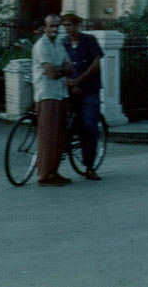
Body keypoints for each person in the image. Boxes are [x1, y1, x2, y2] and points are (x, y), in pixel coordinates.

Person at [61, 12, 104, 181]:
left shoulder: (89, 41)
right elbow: (60, 65)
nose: (67, 29)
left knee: (89, 126)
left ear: (77, 25)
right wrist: (69, 82)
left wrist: (79, 81)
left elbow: (95, 65)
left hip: (89, 89)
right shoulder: (62, 43)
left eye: (69, 25)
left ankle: (89, 167)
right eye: (64, 25)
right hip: (69, 89)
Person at [32, 14, 74, 186]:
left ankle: (54, 172)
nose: (55, 29)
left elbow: (69, 68)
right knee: (48, 136)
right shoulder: (41, 46)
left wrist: (60, 70)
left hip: (60, 93)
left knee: (59, 136)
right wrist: (61, 70)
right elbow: (51, 72)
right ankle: (44, 175)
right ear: (44, 27)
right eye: (51, 26)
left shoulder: (59, 44)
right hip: (47, 94)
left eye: (57, 26)